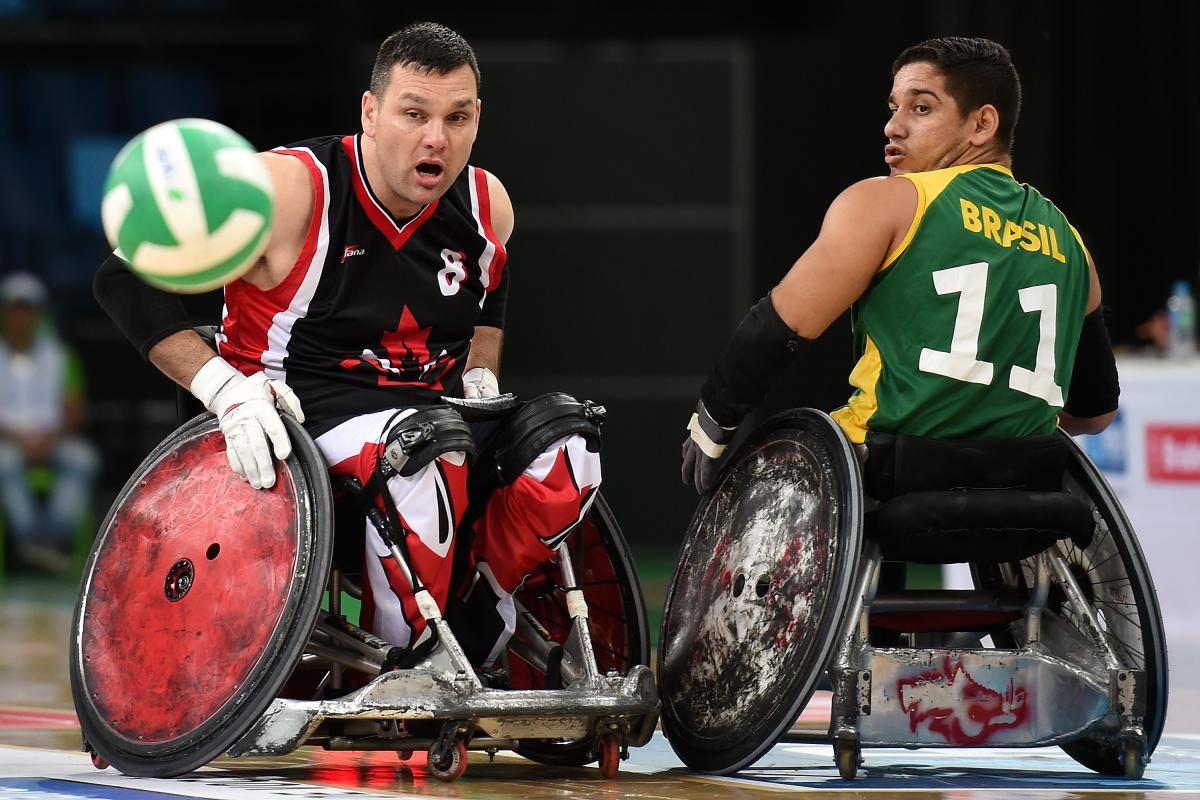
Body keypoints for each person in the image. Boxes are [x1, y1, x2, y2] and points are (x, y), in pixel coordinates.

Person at [95, 22, 602, 665]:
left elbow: (489, 294)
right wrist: (224, 390)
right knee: (425, 450)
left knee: (569, 441)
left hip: (431, 415)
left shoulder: (485, 204)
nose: (436, 139)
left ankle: (477, 614)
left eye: (457, 117)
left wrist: (481, 375)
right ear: (369, 110)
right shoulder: (286, 189)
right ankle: (410, 661)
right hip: (304, 418)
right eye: (413, 114)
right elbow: (122, 276)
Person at [682, 37, 1119, 493]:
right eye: (893, 108)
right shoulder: (1072, 246)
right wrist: (992, 416)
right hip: (1021, 487)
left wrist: (715, 420)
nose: (893, 127)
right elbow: (1095, 412)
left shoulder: (889, 202)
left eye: (921, 109)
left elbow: (778, 327)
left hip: (887, 471)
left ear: (982, 124)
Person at [0, 272, 100, 573]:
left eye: (27, 311)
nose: (21, 319)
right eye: (15, 311)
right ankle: (33, 539)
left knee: (84, 458)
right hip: (7, 440)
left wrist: (49, 439)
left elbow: (74, 410)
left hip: (53, 438)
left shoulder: (60, 356)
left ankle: (52, 537)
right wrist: (19, 440)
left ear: (39, 315)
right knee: (4, 463)